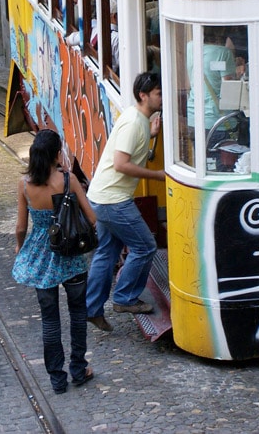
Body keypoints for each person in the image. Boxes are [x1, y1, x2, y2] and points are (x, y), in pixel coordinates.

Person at [12, 129, 97, 395]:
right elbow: (92, 218)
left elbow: (20, 226)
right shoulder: (68, 180)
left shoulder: (25, 184)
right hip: (71, 255)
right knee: (78, 313)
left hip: (41, 259)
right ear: (56, 154)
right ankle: (79, 369)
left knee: (49, 319)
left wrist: (19, 245)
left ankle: (57, 380)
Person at [85, 72, 165, 331]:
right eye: (158, 94)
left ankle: (92, 308)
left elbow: (131, 148)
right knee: (145, 246)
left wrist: (151, 134)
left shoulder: (138, 120)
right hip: (113, 200)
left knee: (106, 253)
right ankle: (125, 298)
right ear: (144, 95)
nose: (162, 98)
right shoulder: (133, 123)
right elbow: (121, 164)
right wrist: (156, 175)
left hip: (102, 196)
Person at [186, 28, 236, 130]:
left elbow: (212, 67)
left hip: (193, 116)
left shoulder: (190, 47)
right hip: (218, 120)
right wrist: (237, 72)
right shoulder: (224, 53)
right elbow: (229, 89)